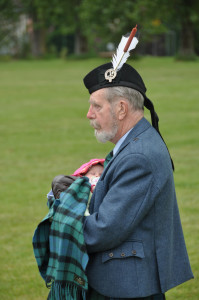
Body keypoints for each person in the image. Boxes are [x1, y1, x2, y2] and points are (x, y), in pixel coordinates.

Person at [82, 61, 194, 300]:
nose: (89, 114)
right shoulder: (136, 142)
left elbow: (105, 230)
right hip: (125, 282)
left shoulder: (139, 156)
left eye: (96, 106)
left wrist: (60, 223)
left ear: (121, 109)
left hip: (126, 287)